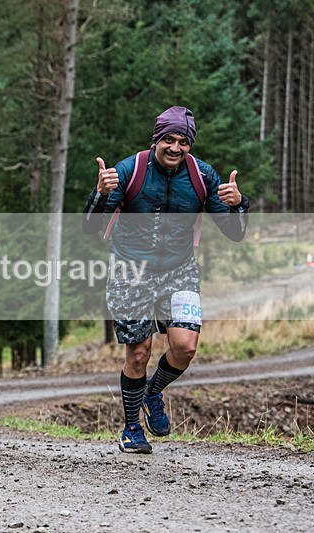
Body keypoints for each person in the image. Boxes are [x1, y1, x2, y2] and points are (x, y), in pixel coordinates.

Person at [82, 106, 249, 453]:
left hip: (179, 269)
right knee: (139, 352)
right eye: (169, 140)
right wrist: (99, 193)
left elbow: (234, 232)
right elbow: (89, 228)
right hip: (132, 271)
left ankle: (152, 392)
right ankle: (131, 428)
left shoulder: (202, 176)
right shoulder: (130, 171)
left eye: (183, 142)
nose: (175, 148)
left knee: (185, 347)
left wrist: (238, 203)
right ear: (157, 138)